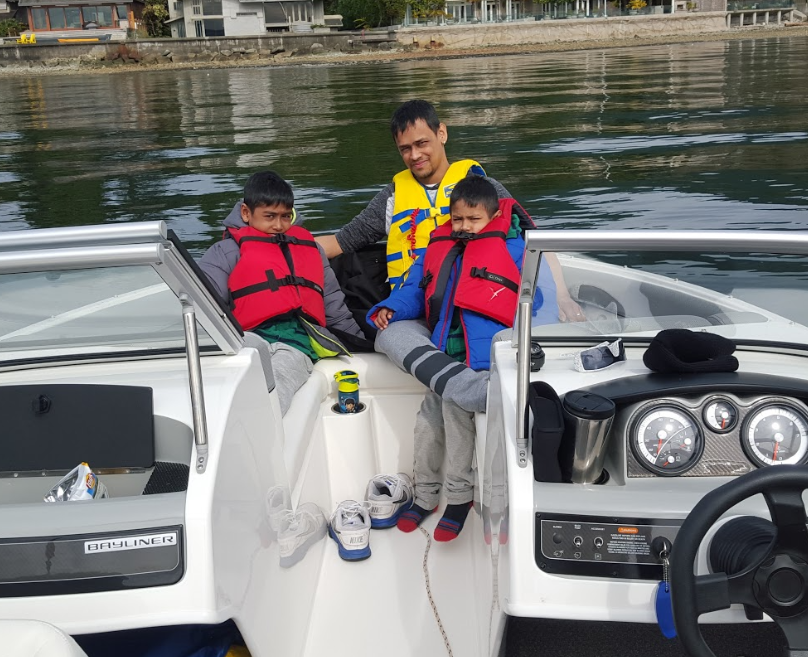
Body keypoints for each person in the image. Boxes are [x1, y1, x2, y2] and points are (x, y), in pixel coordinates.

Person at [317, 100, 584, 413]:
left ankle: (461, 383)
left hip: (477, 305)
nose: (414, 155)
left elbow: (532, 243)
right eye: (405, 148)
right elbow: (340, 242)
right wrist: (274, 243)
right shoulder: (390, 199)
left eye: (421, 143)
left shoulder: (484, 190)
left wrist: (563, 296)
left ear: (441, 133)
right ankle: (471, 390)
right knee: (386, 336)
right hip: (419, 307)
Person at [366, 175, 528, 542]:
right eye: (458, 220)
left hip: (483, 357)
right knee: (427, 422)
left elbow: (533, 300)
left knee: (456, 415)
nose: (465, 228)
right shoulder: (437, 246)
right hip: (446, 355)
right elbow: (413, 290)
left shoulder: (515, 249)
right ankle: (425, 494)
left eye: (474, 220)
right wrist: (391, 307)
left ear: (492, 217)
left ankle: (458, 498)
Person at [199, 171, 363, 415]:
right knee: (236, 379)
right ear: (246, 213)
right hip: (247, 340)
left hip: (295, 344)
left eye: (286, 217)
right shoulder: (223, 253)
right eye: (269, 216)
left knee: (277, 384)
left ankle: (261, 437)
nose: (278, 225)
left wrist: (360, 345)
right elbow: (203, 307)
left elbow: (334, 307)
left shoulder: (311, 251)